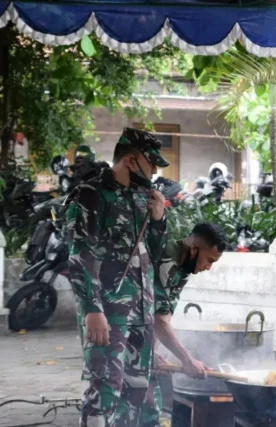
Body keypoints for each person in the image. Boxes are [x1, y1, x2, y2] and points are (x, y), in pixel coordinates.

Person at [67, 127, 169, 426]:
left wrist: (159, 218)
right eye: (150, 163)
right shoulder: (91, 195)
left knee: (144, 391)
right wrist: (92, 309)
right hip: (108, 310)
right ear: (130, 160)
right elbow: (80, 253)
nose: (153, 171)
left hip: (142, 309)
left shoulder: (144, 197)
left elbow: (155, 250)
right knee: (106, 390)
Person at [140, 222, 228, 427]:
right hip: (118, 331)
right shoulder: (166, 260)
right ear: (194, 249)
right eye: (209, 260)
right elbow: (160, 323)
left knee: (150, 406)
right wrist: (187, 360)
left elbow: (162, 316)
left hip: (140, 340)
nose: (208, 267)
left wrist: (151, 352)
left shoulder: (184, 267)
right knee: (133, 405)